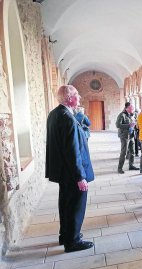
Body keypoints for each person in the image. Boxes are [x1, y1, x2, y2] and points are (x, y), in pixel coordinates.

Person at [45, 85, 94, 253]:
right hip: (72, 172)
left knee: (65, 203)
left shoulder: (55, 114)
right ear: (69, 98)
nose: (79, 98)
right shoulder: (67, 118)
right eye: (77, 95)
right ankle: (72, 241)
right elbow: (73, 151)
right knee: (75, 205)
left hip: (63, 171)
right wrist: (80, 177)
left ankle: (65, 235)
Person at [116, 102, 138, 174]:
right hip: (124, 136)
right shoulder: (122, 115)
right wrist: (128, 125)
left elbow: (133, 124)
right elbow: (118, 125)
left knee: (132, 151)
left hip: (131, 135)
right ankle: (120, 168)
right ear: (127, 108)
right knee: (124, 152)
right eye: (132, 108)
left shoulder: (132, 115)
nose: (133, 109)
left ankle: (131, 165)